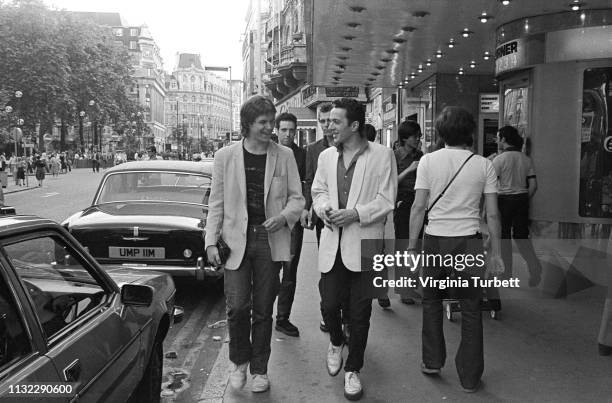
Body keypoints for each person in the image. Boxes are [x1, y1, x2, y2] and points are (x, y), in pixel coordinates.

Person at [204, 95, 304, 393]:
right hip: (235, 241)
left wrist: (284, 217)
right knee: (237, 308)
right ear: (247, 124)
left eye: (271, 122)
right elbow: (217, 204)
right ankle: (238, 363)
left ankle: (260, 370)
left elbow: (297, 198)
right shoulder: (225, 156)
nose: (269, 128)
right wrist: (210, 241)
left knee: (263, 310)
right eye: (263, 122)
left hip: (269, 239)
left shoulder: (284, 155)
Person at [408, 106, 504, 393]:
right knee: (472, 308)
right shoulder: (483, 164)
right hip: (469, 242)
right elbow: (494, 214)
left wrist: (412, 246)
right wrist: (496, 252)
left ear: (440, 133)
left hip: (434, 240)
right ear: (471, 133)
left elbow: (418, 207)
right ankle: (470, 377)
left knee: (431, 301)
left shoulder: (427, 161)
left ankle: (432, 361)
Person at [312, 98, 397, 400]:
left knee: (361, 314)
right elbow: (318, 191)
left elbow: (387, 200)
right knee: (328, 304)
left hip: (365, 245)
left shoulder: (382, 155)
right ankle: (336, 341)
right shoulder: (324, 157)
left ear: (354, 125)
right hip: (332, 244)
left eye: (336, 121)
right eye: (328, 121)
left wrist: (356, 214)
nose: (329, 126)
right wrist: (324, 209)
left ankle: (353, 370)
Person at [380, 120, 424, 308]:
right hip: (403, 202)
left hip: (419, 203)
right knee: (403, 245)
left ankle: (412, 284)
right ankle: (402, 288)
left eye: (419, 136)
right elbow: (390, 183)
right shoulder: (394, 156)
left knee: (416, 245)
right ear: (405, 137)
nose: (418, 139)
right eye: (415, 136)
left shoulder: (420, 155)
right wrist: (409, 169)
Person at [492, 125, 542, 286]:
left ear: (504, 139)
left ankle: (506, 274)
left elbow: (491, 185)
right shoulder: (526, 159)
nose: (496, 140)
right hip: (522, 200)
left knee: (504, 237)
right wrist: (523, 198)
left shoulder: (498, 160)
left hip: (504, 201)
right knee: (521, 237)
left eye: (498, 137)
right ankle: (534, 266)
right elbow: (534, 185)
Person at [274, 112, 306, 337]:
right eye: (284, 129)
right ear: (277, 130)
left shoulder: (302, 155)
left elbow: (308, 184)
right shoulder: (268, 152)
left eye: (291, 130)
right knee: (267, 271)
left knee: (290, 272)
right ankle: (263, 314)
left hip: (294, 222)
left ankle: (283, 317)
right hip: (271, 222)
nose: (288, 134)